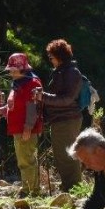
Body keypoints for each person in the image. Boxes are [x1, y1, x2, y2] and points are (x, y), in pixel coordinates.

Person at [36, 39, 84, 192]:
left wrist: (42, 97)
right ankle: (69, 186)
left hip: (68, 119)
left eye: (51, 57)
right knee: (61, 155)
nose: (50, 60)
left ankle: (74, 188)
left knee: (67, 155)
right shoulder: (62, 71)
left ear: (59, 56)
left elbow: (67, 99)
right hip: (60, 119)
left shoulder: (71, 72)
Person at [1, 52, 43, 196]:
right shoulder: (18, 83)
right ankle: (27, 188)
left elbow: (33, 107)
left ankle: (32, 191)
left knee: (27, 159)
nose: (11, 73)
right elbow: (13, 105)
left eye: (13, 70)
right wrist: (1, 111)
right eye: (10, 70)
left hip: (26, 128)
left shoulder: (32, 83)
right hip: (17, 127)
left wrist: (28, 127)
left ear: (22, 69)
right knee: (23, 159)